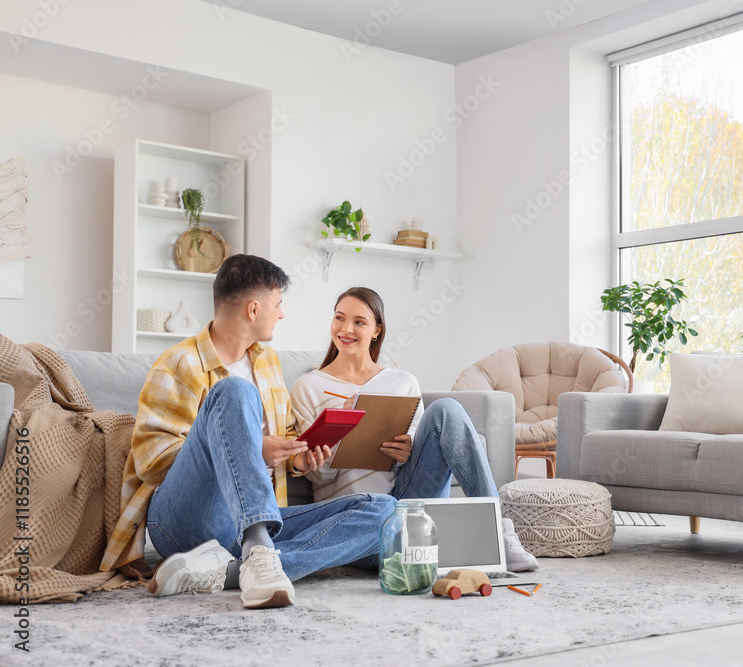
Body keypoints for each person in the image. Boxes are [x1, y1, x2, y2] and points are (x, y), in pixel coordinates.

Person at [100, 255, 396, 609]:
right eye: (278, 304)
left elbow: (284, 437)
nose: (282, 314)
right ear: (254, 310)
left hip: (254, 518)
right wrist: (250, 450)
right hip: (184, 521)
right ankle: (257, 550)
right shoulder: (179, 364)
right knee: (234, 391)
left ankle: (231, 570)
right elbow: (150, 462)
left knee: (384, 510)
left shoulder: (267, 362)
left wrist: (301, 457)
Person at [289, 286, 538, 572]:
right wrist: (339, 437)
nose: (346, 329)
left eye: (359, 322)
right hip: (359, 523)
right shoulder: (308, 386)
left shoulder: (402, 381)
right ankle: (416, 547)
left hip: (406, 507)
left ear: (377, 330)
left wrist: (407, 451)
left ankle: (500, 532)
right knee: (377, 511)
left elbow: (420, 457)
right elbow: (318, 475)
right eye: (339, 318)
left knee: (447, 409)